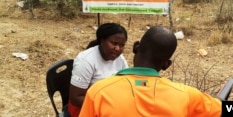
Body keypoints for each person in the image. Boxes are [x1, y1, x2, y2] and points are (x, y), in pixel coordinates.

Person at [79, 26, 222, 117]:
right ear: (166, 65)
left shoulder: (99, 92)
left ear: (135, 47)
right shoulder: (187, 96)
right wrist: (216, 100)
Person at [68, 22, 129, 117]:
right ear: (102, 41)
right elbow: (75, 98)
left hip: (109, 103)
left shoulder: (120, 59)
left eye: (122, 45)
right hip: (85, 107)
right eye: (114, 43)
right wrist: (106, 106)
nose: (117, 48)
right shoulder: (86, 61)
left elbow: (126, 82)